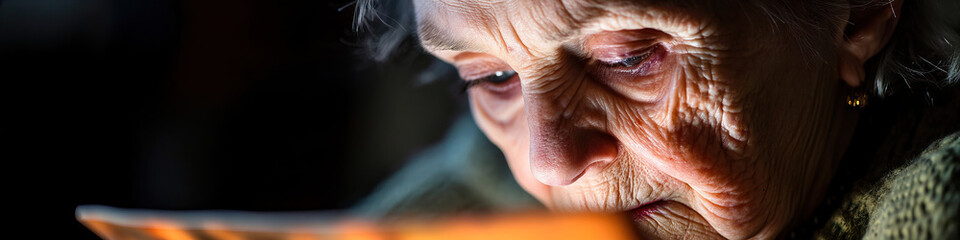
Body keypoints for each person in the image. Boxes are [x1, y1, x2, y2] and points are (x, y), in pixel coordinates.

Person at [354, 0, 960, 239]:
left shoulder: (934, 208)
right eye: (494, 78)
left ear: (856, 16)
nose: (549, 162)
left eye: (628, 58)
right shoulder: (471, 185)